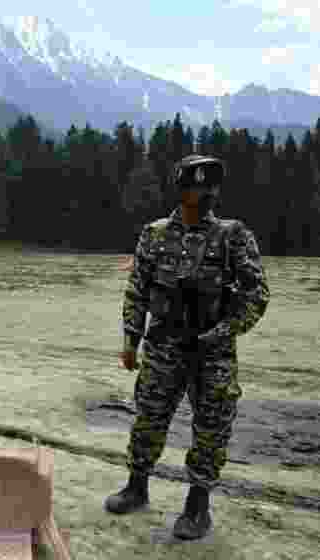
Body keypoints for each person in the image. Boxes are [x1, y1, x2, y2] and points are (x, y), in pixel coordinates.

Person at [107, 155, 269, 540]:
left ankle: (198, 507)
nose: (208, 193)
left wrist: (224, 331)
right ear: (181, 189)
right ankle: (136, 487)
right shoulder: (155, 234)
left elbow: (257, 294)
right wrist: (131, 339)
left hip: (211, 353)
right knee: (148, 419)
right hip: (163, 346)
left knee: (211, 428)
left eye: (212, 186)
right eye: (199, 186)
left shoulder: (234, 236)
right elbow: (138, 290)